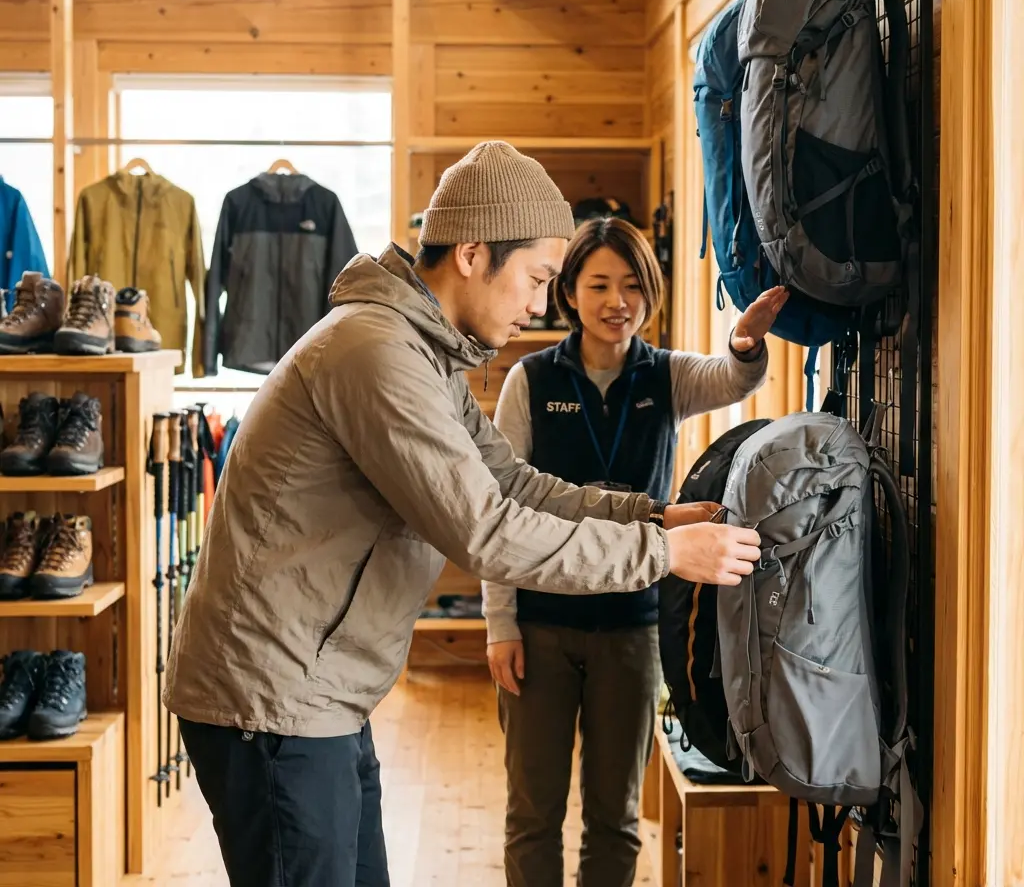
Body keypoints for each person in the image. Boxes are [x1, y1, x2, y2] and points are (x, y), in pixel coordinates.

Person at [163, 141, 764, 887]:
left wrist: (654, 517)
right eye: (539, 279)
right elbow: (488, 529)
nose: (542, 306)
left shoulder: (425, 355)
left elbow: (512, 481)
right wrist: (664, 556)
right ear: (476, 254)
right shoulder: (377, 355)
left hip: (319, 692)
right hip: (273, 698)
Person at [482, 217, 784, 887]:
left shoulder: (665, 376)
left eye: (630, 285)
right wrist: (500, 625)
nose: (616, 301)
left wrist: (744, 342)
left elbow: (728, 379)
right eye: (598, 285)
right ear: (568, 293)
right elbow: (498, 514)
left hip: (631, 627)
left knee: (615, 816)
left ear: (649, 293)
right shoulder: (529, 381)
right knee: (533, 813)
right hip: (540, 623)